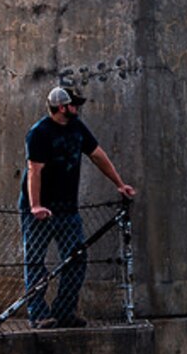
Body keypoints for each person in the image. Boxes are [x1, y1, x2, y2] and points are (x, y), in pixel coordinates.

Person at [19, 86, 136, 328]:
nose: (78, 108)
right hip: (41, 211)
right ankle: (39, 315)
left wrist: (120, 184)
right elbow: (34, 171)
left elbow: (98, 155)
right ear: (62, 107)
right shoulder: (39, 133)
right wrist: (36, 206)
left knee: (76, 259)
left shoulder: (77, 128)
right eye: (74, 104)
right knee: (35, 261)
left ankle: (64, 311)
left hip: (68, 210)